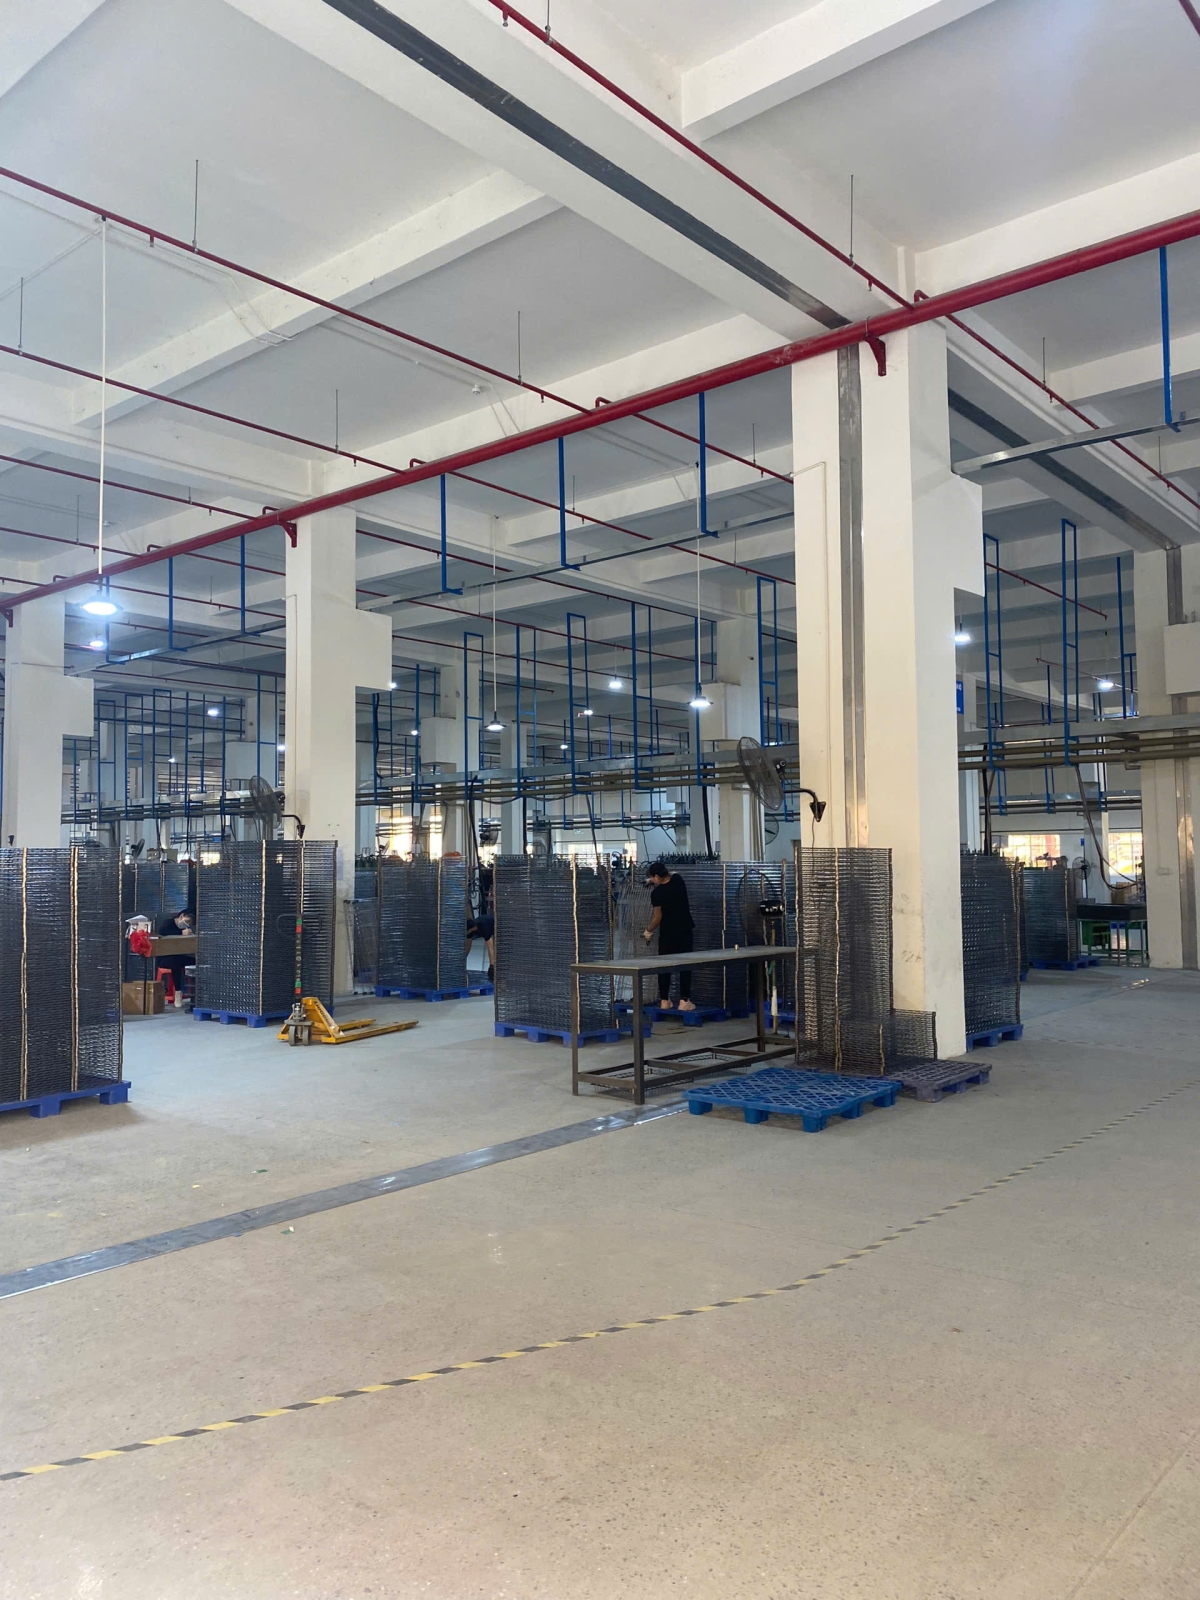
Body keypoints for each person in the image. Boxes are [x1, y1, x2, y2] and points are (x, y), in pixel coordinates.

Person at [642, 862, 695, 1012]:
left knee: (664, 966)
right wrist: (654, 879)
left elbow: (657, 918)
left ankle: (664, 1000)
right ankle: (684, 1001)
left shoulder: (656, 894)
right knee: (686, 965)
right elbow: (674, 873)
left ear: (656, 876)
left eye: (653, 877)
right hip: (684, 930)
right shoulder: (678, 880)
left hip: (667, 933)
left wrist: (648, 931)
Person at [157, 908, 194, 1008]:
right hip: (164, 958)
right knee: (175, 963)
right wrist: (181, 933)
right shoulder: (167, 923)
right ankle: (178, 992)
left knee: (195, 962)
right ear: (181, 916)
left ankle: (196, 993)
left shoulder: (185, 929)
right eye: (187, 921)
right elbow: (162, 931)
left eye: (189, 923)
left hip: (179, 956)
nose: (187, 925)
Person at [466, 910, 495, 981]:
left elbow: (490, 947)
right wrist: (463, 958)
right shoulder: (470, 930)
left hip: (499, 926)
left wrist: (492, 966)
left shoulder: (483, 926)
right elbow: (468, 944)